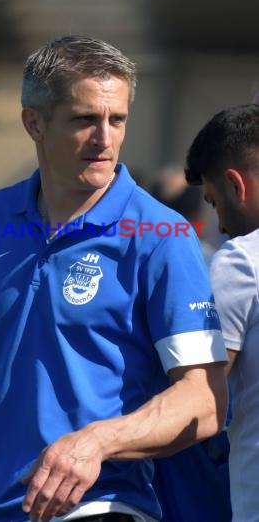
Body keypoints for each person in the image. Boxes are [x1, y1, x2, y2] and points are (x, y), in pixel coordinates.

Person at [0, 35, 228, 522]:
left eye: (117, 119)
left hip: (101, 507)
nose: (104, 139)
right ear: (34, 123)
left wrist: (96, 442)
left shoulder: (160, 234)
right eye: (85, 119)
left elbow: (205, 400)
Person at [185, 103, 259, 522]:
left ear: (236, 185)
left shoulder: (242, 261)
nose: (223, 227)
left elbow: (197, 397)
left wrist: (100, 439)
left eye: (214, 203)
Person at [149, 164, 231, 521]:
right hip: (205, 429)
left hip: (151, 425)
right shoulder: (220, 265)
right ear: (201, 209)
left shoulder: (134, 265)